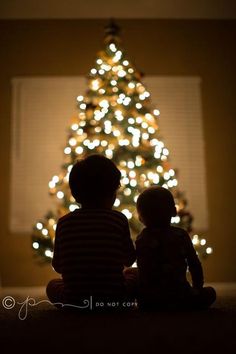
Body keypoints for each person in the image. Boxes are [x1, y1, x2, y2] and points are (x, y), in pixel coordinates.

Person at [46, 154, 136, 311]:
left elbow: (58, 266)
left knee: (52, 285)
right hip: (115, 300)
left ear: (74, 194)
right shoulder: (119, 219)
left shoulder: (64, 222)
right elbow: (129, 260)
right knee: (135, 274)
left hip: (74, 301)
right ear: (113, 193)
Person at [135, 186, 216, 311]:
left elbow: (143, 270)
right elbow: (194, 264)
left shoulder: (142, 238)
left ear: (140, 218)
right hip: (180, 294)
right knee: (210, 293)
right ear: (174, 211)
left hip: (150, 300)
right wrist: (197, 288)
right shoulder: (181, 235)